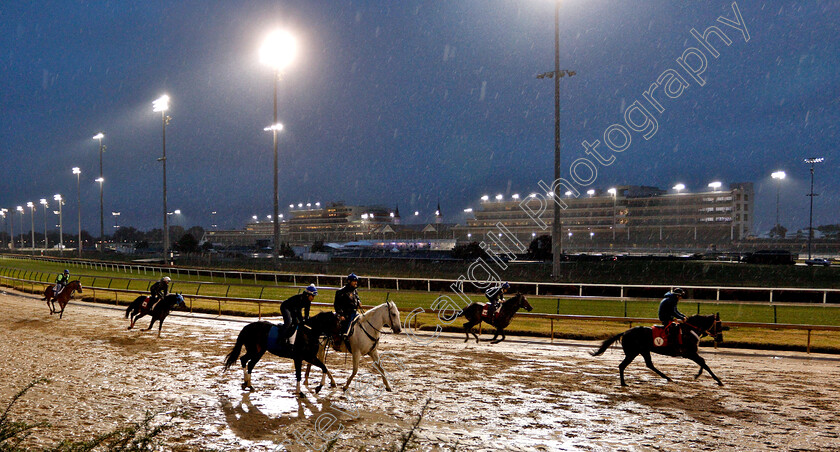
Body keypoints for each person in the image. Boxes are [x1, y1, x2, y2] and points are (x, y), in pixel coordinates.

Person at [335, 273, 361, 339]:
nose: (356, 283)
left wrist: (358, 302)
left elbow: (357, 299)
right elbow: (337, 305)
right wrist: (341, 315)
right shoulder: (341, 292)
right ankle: (343, 336)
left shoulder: (355, 291)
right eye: (354, 281)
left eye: (356, 281)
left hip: (354, 313)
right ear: (349, 281)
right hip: (346, 314)